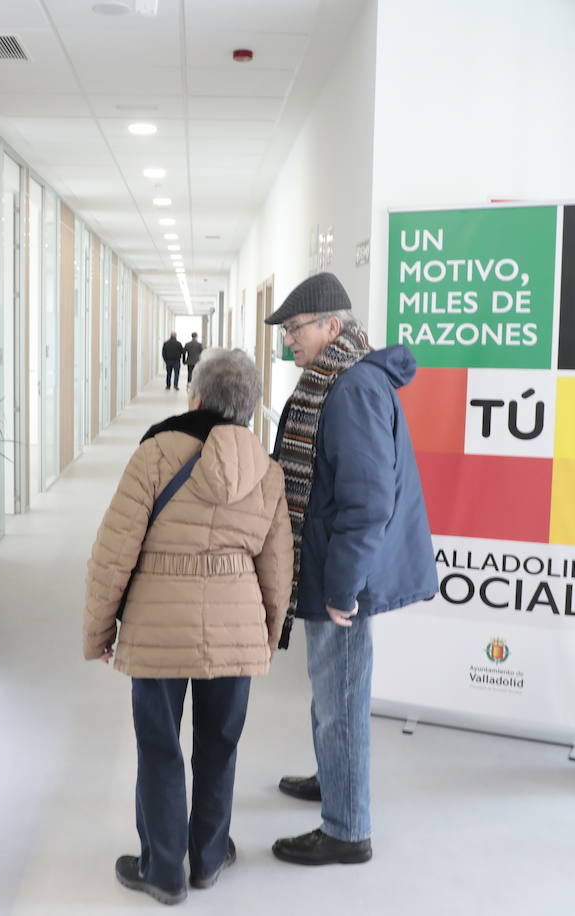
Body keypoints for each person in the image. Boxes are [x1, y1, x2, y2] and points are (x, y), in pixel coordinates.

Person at [83, 348, 293, 905]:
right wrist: (264, 638)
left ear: (195, 397)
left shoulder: (155, 455)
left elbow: (113, 552)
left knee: (159, 746)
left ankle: (163, 868)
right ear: (249, 407)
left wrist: (100, 630)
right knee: (220, 745)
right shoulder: (267, 471)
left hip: (157, 627)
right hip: (237, 628)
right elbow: (277, 568)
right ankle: (208, 856)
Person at [264, 272, 437, 867]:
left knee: (341, 694)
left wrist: (341, 587)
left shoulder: (353, 388)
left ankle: (346, 829)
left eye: (295, 329)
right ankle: (333, 777)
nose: (290, 341)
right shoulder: (334, 380)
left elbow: (368, 502)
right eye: (287, 331)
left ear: (331, 326)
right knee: (329, 691)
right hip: (326, 566)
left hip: (342, 578)